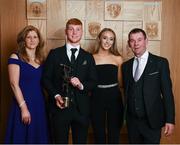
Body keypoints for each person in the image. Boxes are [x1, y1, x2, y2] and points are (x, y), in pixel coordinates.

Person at [42, 18, 97, 144]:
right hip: (59, 109)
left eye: (78, 30)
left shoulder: (88, 57)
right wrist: (55, 95)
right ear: (66, 32)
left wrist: (81, 85)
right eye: (71, 29)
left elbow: (94, 82)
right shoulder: (54, 54)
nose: (74, 32)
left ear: (82, 32)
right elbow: (45, 78)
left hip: (81, 110)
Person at [122, 28, 175, 144]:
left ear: (146, 41)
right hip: (132, 123)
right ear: (129, 44)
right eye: (132, 40)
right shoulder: (125, 66)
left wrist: (170, 120)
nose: (136, 44)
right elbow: (127, 92)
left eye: (139, 40)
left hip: (152, 122)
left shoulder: (160, 63)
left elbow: (167, 94)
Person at [5, 25, 49, 143]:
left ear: (39, 40)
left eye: (35, 37)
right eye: (28, 37)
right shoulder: (16, 57)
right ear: (23, 40)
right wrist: (23, 108)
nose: (32, 40)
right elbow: (14, 84)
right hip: (22, 102)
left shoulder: (42, 59)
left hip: (39, 103)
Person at [90, 28, 124, 144]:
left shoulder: (118, 59)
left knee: (114, 132)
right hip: (96, 97)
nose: (107, 42)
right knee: (98, 132)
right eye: (105, 38)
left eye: (111, 39)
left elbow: (120, 83)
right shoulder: (90, 58)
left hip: (114, 97)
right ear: (99, 39)